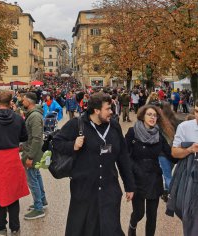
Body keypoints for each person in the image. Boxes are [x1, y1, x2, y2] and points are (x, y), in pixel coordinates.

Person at [53, 93, 135, 236]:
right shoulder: (77, 124)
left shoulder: (114, 127)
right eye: (108, 109)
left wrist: (129, 186)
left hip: (109, 188)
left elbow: (123, 157)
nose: (112, 112)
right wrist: (73, 145)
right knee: (84, 228)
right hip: (84, 189)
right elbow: (57, 142)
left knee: (109, 226)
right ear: (96, 110)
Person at [0, 90, 29, 235]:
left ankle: (1, 228)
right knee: (13, 195)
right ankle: (15, 228)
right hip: (13, 159)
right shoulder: (18, 118)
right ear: (10, 102)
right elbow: (24, 137)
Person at [125, 104, 173, 236]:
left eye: (155, 115)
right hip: (137, 178)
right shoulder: (132, 132)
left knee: (152, 217)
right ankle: (132, 225)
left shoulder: (159, 135)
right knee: (139, 213)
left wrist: (186, 150)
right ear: (142, 116)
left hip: (154, 178)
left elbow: (171, 155)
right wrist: (133, 171)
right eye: (149, 114)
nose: (152, 117)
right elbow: (124, 156)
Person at [169, 100, 198, 235]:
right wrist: (190, 149)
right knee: (189, 215)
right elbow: (174, 152)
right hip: (190, 177)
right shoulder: (185, 127)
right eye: (197, 111)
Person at [22, 92, 48, 220]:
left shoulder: (35, 116)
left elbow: (37, 138)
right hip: (33, 150)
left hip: (33, 152)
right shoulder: (33, 115)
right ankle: (42, 201)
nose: (22, 102)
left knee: (32, 179)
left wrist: (30, 156)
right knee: (36, 176)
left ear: (29, 101)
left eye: (24, 100)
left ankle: (39, 208)